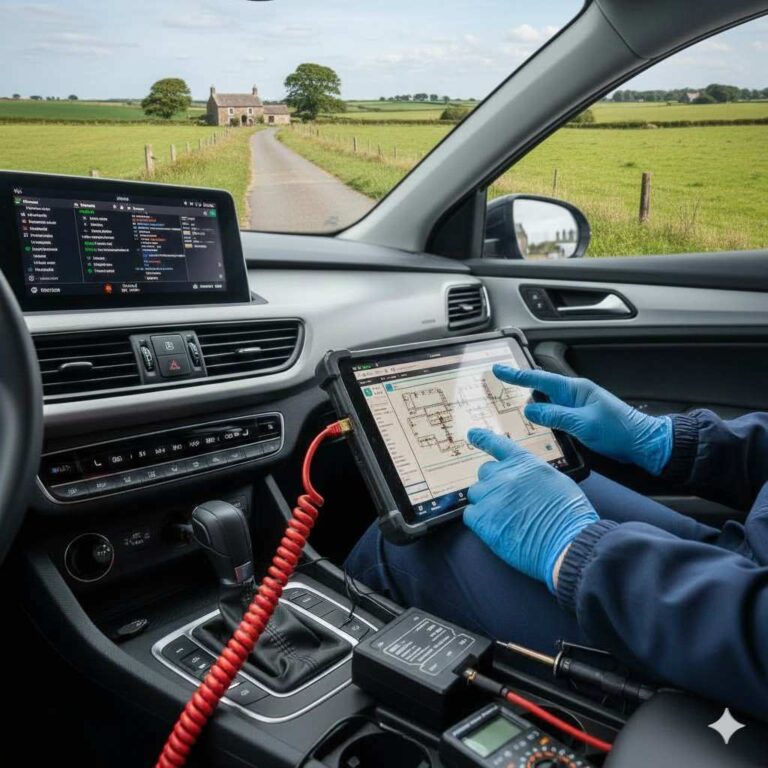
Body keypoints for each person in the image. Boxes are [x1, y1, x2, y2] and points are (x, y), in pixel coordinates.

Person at [345, 365, 768, 719]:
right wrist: (675, 442)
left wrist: (577, 551)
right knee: (535, 477)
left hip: (731, 641)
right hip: (744, 565)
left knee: (406, 543)